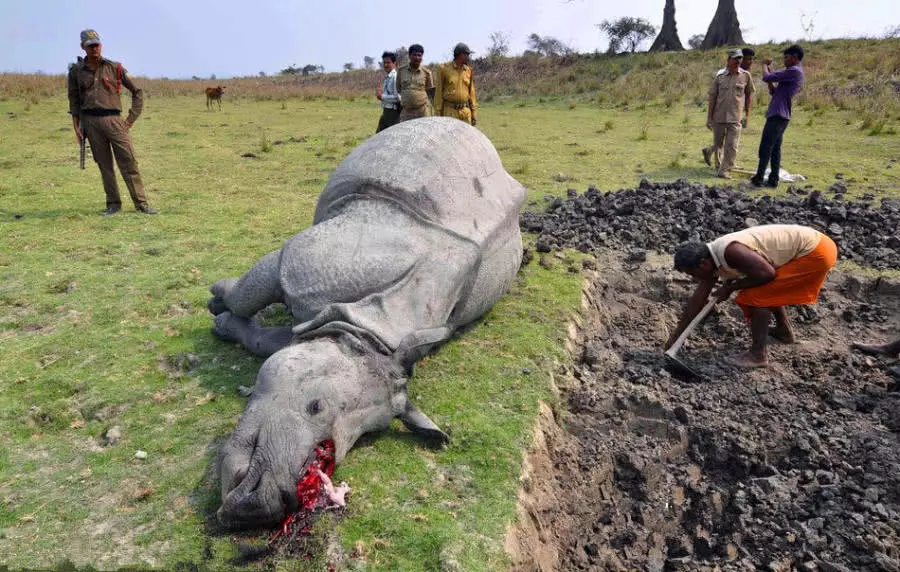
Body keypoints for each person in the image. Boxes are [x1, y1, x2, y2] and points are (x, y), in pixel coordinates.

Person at [667, 224, 837, 368]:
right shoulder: (710, 260)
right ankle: (783, 331)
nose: (694, 279)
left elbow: (767, 274)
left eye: (692, 274)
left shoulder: (730, 251)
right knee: (766, 290)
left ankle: (758, 355)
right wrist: (674, 339)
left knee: (754, 296)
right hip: (815, 246)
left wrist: (732, 287)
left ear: (703, 264)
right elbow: (697, 302)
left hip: (816, 252)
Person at [67, 29, 158, 215]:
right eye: (90, 45)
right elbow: (74, 99)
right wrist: (76, 127)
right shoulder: (76, 72)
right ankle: (113, 204)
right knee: (104, 165)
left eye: (97, 45)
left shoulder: (114, 67)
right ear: (82, 47)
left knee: (129, 162)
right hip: (90, 122)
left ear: (101, 45)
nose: (94, 49)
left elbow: (137, 91)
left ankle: (141, 204)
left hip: (115, 121)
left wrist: (130, 120)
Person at [751, 44, 805, 188]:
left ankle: (759, 177)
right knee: (775, 148)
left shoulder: (794, 71)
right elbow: (774, 90)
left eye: (786, 58)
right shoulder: (793, 72)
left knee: (766, 147)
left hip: (778, 114)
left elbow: (767, 77)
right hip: (782, 115)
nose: (784, 61)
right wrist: (769, 75)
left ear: (794, 58)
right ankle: (773, 179)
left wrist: (764, 66)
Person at [705, 48, 755, 179]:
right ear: (728, 60)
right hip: (719, 116)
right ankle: (716, 159)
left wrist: (747, 115)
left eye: (740, 58)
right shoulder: (720, 77)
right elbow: (712, 97)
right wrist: (709, 118)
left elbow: (749, 95)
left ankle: (724, 170)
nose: (738, 61)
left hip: (735, 117)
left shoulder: (746, 76)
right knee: (718, 144)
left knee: (732, 146)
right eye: (735, 58)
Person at [434, 43, 478, 126]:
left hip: (465, 112)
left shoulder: (468, 71)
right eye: (467, 54)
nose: (468, 57)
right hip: (450, 112)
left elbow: (472, 93)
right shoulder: (444, 69)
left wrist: (474, 113)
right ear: (460, 54)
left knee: (466, 138)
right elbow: (438, 93)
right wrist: (438, 114)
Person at [396, 44, 434, 122]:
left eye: (419, 55)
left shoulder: (427, 73)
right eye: (414, 55)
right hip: (406, 112)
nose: (417, 58)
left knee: (424, 132)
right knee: (405, 133)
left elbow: (430, 92)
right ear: (409, 56)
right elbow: (398, 88)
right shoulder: (401, 71)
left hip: (423, 111)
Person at [376, 51, 400, 133]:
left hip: (392, 113)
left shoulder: (395, 77)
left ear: (394, 63)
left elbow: (397, 98)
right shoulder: (388, 77)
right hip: (386, 111)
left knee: (392, 136)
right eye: (384, 62)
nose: (386, 65)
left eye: (388, 62)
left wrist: (381, 97)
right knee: (379, 136)